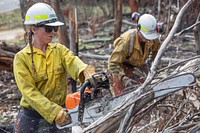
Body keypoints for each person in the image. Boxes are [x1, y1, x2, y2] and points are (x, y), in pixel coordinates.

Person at [13, 2, 96, 133]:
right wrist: (54, 111)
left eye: (55, 29)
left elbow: (73, 62)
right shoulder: (22, 58)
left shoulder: (59, 50)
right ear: (34, 29)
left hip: (62, 112)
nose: (53, 32)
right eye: (48, 29)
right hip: (33, 116)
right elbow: (29, 92)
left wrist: (86, 72)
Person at [108, 12, 163, 96]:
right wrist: (123, 77)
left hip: (138, 63)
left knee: (144, 86)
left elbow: (155, 53)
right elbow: (113, 63)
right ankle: (120, 105)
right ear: (138, 29)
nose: (148, 39)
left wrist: (151, 65)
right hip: (121, 65)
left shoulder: (154, 38)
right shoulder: (126, 40)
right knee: (121, 90)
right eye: (146, 36)